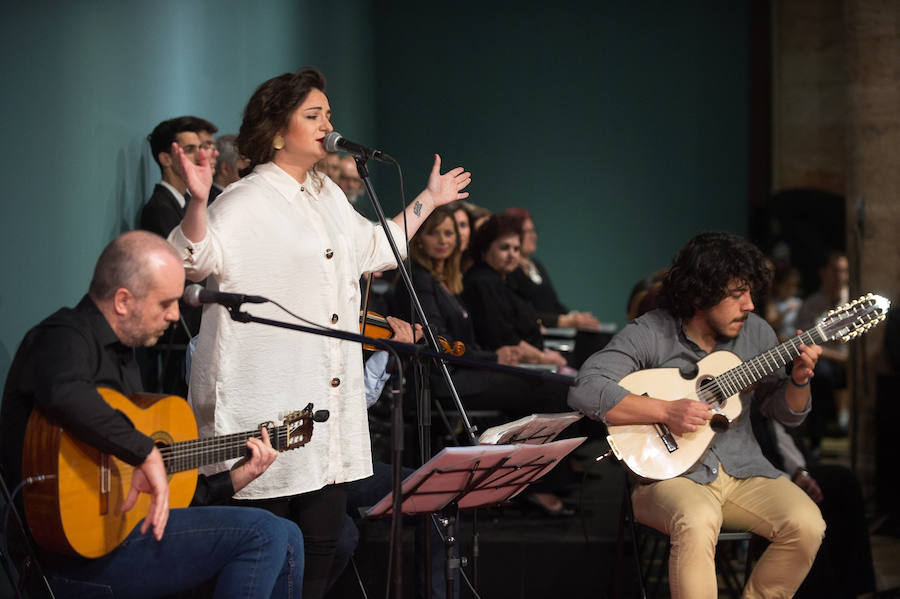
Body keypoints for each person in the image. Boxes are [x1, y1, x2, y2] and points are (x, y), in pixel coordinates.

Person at [167, 66, 470, 599]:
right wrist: (195, 202)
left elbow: (376, 248)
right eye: (314, 115)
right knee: (266, 551)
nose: (329, 124)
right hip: (263, 407)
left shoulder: (325, 192)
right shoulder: (246, 199)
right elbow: (192, 259)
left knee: (322, 547)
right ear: (278, 130)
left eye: (328, 114)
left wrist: (428, 199)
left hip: (323, 410)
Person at [0, 231, 303, 598]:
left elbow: (166, 496)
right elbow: (64, 391)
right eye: (166, 303)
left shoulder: (126, 357)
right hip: (69, 554)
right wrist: (142, 451)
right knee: (264, 532)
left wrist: (240, 476)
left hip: (123, 532)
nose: (176, 315)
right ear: (124, 300)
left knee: (288, 535)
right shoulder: (62, 337)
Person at [569, 231, 826, 599]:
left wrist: (799, 381)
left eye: (751, 293)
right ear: (700, 293)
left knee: (807, 523)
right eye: (737, 295)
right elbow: (585, 388)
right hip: (667, 477)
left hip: (744, 471)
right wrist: (665, 410)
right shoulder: (651, 332)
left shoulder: (757, 334)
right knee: (697, 519)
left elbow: (786, 415)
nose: (749, 305)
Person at [750, 398, 876, 599]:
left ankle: (852, 589)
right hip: (757, 477)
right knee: (802, 510)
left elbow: (783, 440)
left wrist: (801, 473)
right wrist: (789, 479)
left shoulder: (774, 394)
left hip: (791, 467)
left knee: (843, 480)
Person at [461, 213, 567, 368]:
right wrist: (542, 357)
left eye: (516, 249)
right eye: (504, 248)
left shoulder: (507, 279)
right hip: (502, 367)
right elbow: (503, 337)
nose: (512, 255)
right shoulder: (481, 283)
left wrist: (544, 354)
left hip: (529, 361)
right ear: (484, 250)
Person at [503, 207, 602, 330]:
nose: (533, 236)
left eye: (534, 230)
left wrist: (575, 317)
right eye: (527, 231)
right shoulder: (509, 271)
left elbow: (553, 303)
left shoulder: (536, 264)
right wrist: (564, 321)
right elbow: (521, 313)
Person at [796, 251, 850, 448]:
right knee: (817, 373)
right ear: (824, 272)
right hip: (826, 363)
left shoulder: (854, 301)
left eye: (844, 271)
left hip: (851, 365)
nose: (840, 277)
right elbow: (805, 342)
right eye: (836, 271)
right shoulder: (811, 305)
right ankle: (817, 439)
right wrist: (839, 358)